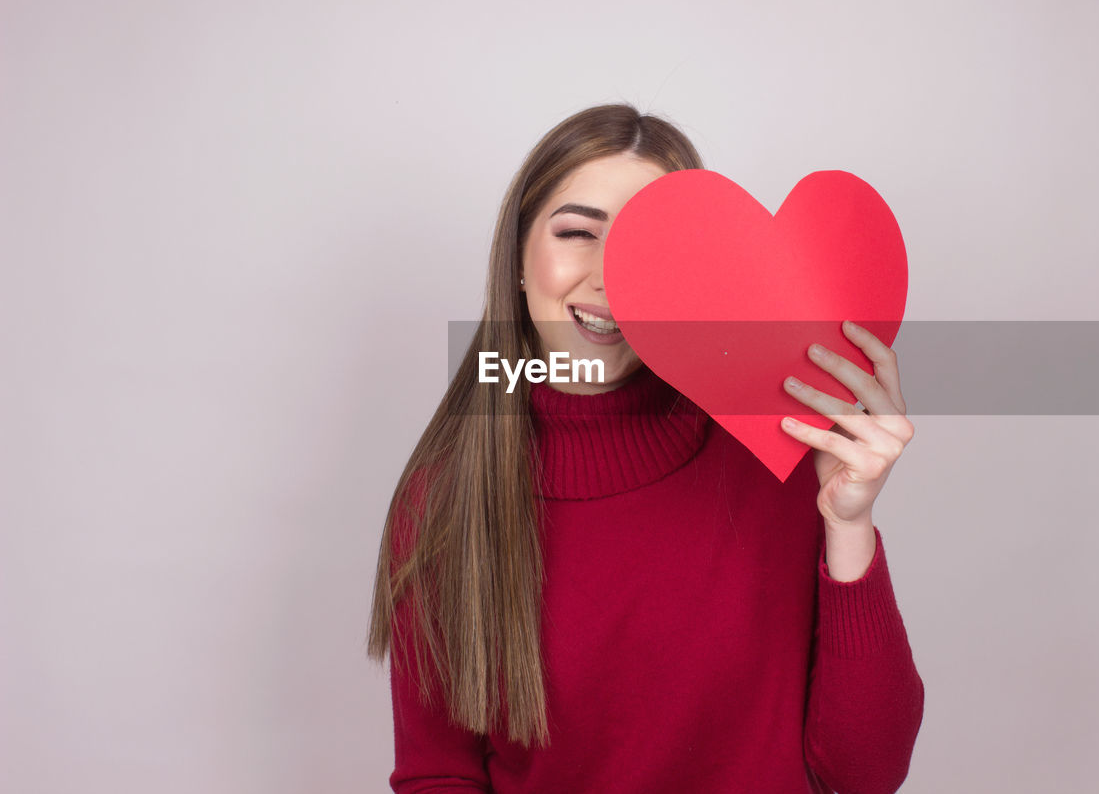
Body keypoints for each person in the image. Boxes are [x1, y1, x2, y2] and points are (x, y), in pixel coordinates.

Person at [366, 104, 925, 793]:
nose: (610, 278)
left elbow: (866, 771)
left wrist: (849, 525)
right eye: (577, 233)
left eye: (647, 247)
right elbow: (439, 774)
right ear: (517, 258)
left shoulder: (777, 450)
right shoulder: (446, 500)